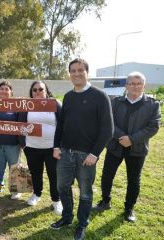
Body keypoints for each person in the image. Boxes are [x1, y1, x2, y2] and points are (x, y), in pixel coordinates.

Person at [51, 58, 113, 240]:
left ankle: (82, 223)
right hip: (65, 152)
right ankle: (67, 217)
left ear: (87, 73)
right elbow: (61, 125)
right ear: (69, 74)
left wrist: (95, 153)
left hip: (87, 155)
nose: (76, 74)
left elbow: (107, 129)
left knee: (85, 192)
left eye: (80, 70)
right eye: (73, 71)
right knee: (62, 187)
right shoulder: (69, 97)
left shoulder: (100, 96)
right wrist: (56, 146)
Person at [93, 72, 161, 222]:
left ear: (144, 85)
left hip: (137, 149)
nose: (135, 86)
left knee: (133, 180)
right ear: (126, 85)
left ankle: (129, 209)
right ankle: (105, 201)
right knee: (107, 175)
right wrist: (120, 136)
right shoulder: (116, 102)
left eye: (138, 83)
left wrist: (132, 139)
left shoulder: (152, 104)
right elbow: (108, 122)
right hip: (114, 146)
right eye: (131, 83)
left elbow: (153, 126)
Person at [18, 81, 62, 214]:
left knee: (53, 175)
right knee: (35, 173)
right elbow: (20, 125)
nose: (37, 92)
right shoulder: (27, 106)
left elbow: (63, 125)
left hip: (52, 148)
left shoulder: (55, 104)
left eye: (40, 89)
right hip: (32, 147)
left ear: (46, 91)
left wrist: (59, 146)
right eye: (34, 90)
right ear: (31, 92)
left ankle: (56, 200)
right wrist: (23, 144)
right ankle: (37, 194)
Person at [0, 81, 21, 200]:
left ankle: (16, 189)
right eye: (1, 88)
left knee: (14, 167)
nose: (4, 91)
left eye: (7, 89)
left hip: (13, 144)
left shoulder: (16, 105)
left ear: (11, 91)